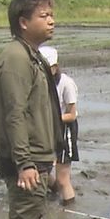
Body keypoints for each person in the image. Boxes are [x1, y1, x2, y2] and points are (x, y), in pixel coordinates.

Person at [0, 0, 62, 219]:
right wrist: (25, 163)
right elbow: (14, 114)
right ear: (23, 22)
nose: (51, 21)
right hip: (27, 156)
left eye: (51, 15)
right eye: (44, 16)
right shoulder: (16, 59)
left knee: (33, 212)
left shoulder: (31, 56)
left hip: (37, 152)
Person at [39, 45, 79, 205]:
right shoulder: (41, 83)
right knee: (41, 167)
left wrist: (51, 117)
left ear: (54, 67)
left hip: (64, 130)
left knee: (63, 179)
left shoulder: (66, 84)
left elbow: (72, 114)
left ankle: (68, 209)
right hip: (47, 127)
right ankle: (54, 193)